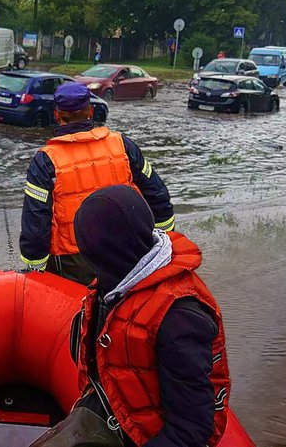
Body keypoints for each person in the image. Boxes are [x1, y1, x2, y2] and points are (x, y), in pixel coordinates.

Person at [69, 185, 231, 447]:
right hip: (120, 414)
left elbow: (191, 429)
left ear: (100, 255)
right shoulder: (112, 288)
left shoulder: (177, 318)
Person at [19, 82, 175, 285]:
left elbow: (36, 221)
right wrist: (164, 238)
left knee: (80, 311)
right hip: (126, 249)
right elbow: (156, 194)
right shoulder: (122, 145)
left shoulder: (45, 161)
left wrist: (35, 267)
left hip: (73, 260)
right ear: (91, 111)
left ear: (57, 114)